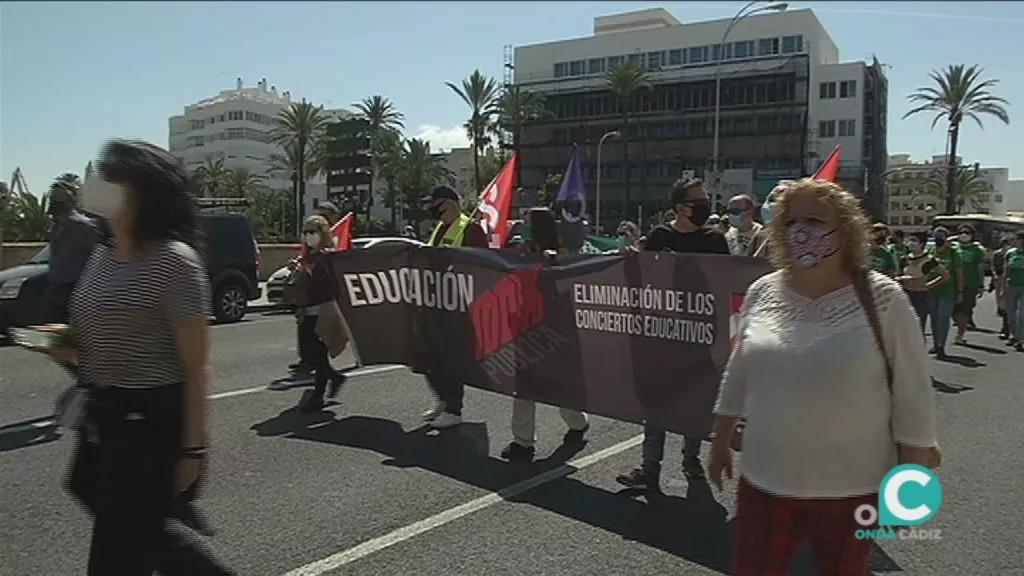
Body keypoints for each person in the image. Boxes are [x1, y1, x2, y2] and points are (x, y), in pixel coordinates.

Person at [708, 178, 938, 576]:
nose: (801, 231)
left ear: (846, 230)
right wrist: (720, 439)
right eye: (791, 221)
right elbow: (740, 368)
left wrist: (910, 481)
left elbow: (913, 397)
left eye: (814, 220)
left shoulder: (884, 299)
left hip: (852, 488)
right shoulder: (762, 291)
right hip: (766, 480)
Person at [46, 140, 233, 575]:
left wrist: (193, 450)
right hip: (105, 414)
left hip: (148, 422)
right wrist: (66, 343)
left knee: (119, 547)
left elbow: (196, 366)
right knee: (125, 520)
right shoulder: (102, 253)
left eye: (108, 177)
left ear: (140, 192)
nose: (96, 185)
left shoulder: (174, 263)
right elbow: (100, 327)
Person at [615, 176, 729, 491]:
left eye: (706, 200)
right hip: (663, 332)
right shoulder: (660, 236)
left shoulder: (716, 241)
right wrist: (631, 259)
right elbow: (643, 275)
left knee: (694, 398)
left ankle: (691, 456)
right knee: (657, 401)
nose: (705, 206)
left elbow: (728, 282)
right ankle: (649, 468)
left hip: (701, 332)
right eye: (699, 201)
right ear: (680, 208)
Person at [501, 208, 590, 459]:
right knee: (524, 386)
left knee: (558, 386)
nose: (523, 226)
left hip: (553, 329)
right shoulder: (520, 252)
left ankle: (578, 423)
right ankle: (522, 441)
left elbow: (570, 280)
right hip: (524, 326)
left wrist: (554, 262)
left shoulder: (561, 253)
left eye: (527, 223)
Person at [421, 185, 488, 428]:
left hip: (459, 306)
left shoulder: (471, 229)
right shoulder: (439, 229)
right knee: (427, 356)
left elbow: (482, 265)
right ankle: (442, 398)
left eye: (436, 204)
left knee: (449, 359)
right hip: (436, 303)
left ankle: (454, 409)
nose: (432, 210)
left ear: (449, 203)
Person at [292, 215, 347, 412]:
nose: (308, 236)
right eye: (305, 232)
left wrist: (310, 273)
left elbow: (331, 282)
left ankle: (317, 396)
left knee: (318, 353)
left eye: (312, 232)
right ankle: (334, 377)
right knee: (308, 353)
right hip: (307, 309)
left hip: (323, 309)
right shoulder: (307, 256)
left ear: (322, 234)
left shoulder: (328, 257)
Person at [45, 180, 100, 323]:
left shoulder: (84, 227)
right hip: (55, 290)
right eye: (53, 197)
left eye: (58, 198)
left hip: (76, 290)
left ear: (70, 200)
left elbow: (99, 257)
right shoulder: (54, 228)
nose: (54, 201)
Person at [896, 232, 950, 336]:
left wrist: (929, 285)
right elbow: (898, 274)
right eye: (910, 240)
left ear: (922, 244)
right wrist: (901, 279)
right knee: (904, 326)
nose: (911, 243)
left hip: (921, 295)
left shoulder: (929, 260)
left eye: (914, 241)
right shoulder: (904, 259)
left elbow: (945, 275)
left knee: (918, 326)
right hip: (906, 294)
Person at [928, 226, 962, 358]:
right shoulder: (931, 251)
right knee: (934, 319)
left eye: (941, 235)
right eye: (936, 235)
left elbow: (959, 273)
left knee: (943, 318)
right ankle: (936, 343)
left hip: (948, 291)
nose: (938, 238)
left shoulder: (953, 253)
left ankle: (941, 345)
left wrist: (960, 292)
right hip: (932, 289)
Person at [953, 224, 986, 342]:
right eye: (962, 232)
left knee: (965, 310)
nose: (964, 235)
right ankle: (960, 324)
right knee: (953, 310)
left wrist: (981, 285)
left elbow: (980, 268)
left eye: (967, 233)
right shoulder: (954, 248)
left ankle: (960, 334)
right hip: (953, 284)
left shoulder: (977, 250)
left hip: (970, 284)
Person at [1002, 231, 1024, 351]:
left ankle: (1020, 338)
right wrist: (1003, 286)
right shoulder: (1011, 254)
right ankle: (1013, 335)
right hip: (1012, 285)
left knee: (1021, 314)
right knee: (1011, 313)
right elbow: (1006, 270)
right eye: (1018, 239)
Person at [992, 237, 1012, 339]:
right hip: (1004, 279)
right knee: (1005, 303)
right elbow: (996, 267)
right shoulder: (999, 254)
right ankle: (1006, 330)